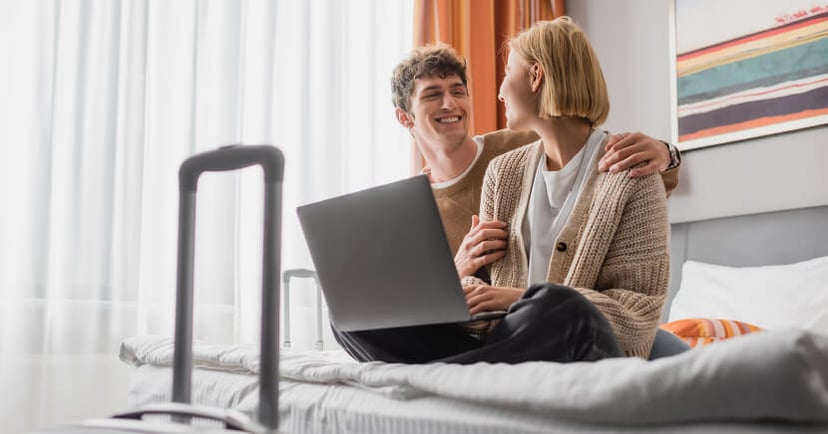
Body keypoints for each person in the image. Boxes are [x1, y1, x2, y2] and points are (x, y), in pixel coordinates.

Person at [332, 20, 670, 363]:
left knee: (564, 307)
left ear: (536, 76)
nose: (500, 91)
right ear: (406, 117)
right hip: (503, 342)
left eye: (508, 73)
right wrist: (466, 288)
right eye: (434, 95)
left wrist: (521, 299)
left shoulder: (629, 173)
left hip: (578, 341)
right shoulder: (504, 172)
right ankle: (471, 377)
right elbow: (484, 289)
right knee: (356, 311)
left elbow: (637, 314)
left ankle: (447, 377)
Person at [388, 44, 680, 280]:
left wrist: (666, 154)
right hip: (477, 333)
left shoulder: (523, 144)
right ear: (405, 118)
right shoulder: (414, 208)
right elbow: (421, 304)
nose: (450, 104)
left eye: (457, 91)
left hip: (548, 313)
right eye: (433, 95)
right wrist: (459, 266)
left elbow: (623, 179)